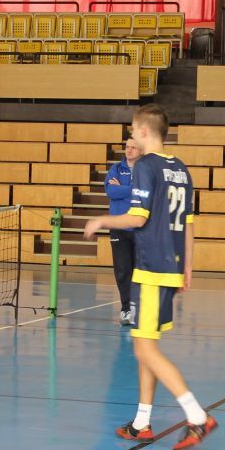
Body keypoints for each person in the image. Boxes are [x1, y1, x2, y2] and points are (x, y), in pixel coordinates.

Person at [83, 104, 217, 450]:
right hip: (170, 265)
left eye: (132, 130)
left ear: (144, 131)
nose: (130, 136)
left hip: (152, 268)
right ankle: (141, 423)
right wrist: (188, 266)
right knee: (148, 346)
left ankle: (197, 415)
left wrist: (101, 221)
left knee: (144, 349)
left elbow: (137, 218)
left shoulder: (145, 166)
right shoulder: (180, 168)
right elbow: (188, 223)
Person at [104, 138, 142, 325]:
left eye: (133, 147)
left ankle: (139, 308)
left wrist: (122, 188)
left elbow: (145, 192)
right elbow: (111, 192)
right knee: (122, 271)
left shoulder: (145, 170)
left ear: (140, 150)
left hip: (140, 228)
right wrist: (131, 189)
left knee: (140, 271)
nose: (129, 150)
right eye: (127, 147)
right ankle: (126, 309)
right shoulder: (116, 169)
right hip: (119, 228)